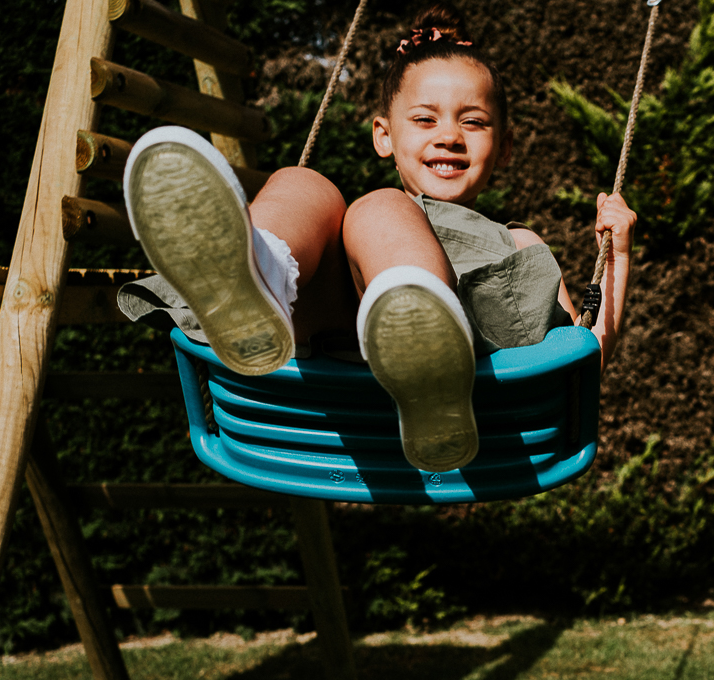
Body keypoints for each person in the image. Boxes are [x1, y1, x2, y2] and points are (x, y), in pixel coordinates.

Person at [118, 2, 636, 474]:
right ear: (383, 135)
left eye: (474, 122)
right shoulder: (362, 236)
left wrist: (618, 256)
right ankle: (255, 281)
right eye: (425, 118)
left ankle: (426, 351)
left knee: (375, 205)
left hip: (473, 354)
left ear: (504, 147)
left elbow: (583, 359)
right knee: (305, 185)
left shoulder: (517, 241)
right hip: (336, 331)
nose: (449, 135)